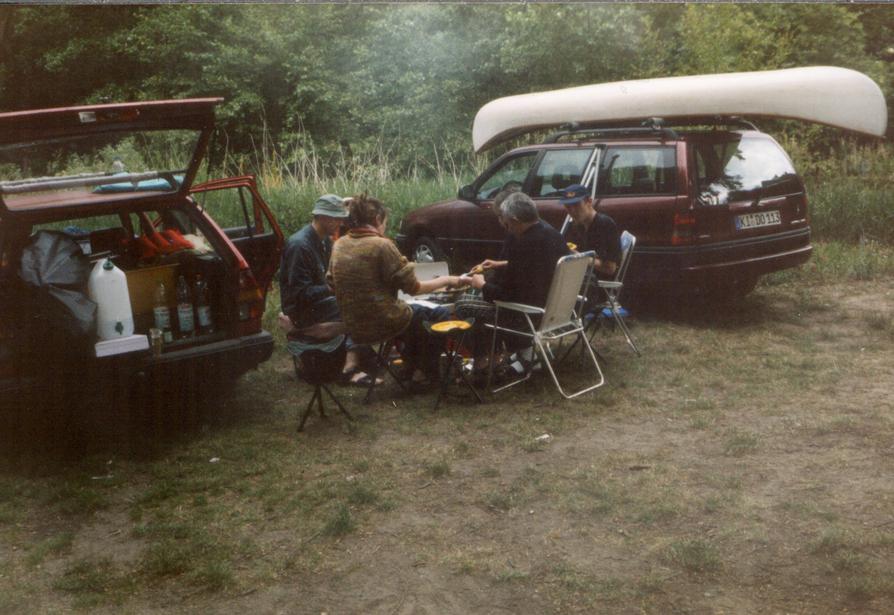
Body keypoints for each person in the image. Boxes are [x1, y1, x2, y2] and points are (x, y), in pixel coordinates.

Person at [327, 194, 465, 386]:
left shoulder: (340, 244)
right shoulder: (381, 245)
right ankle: (425, 373)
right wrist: (448, 279)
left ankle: (412, 366)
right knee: (439, 313)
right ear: (377, 220)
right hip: (383, 321)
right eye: (384, 223)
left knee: (415, 316)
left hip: (354, 323)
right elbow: (414, 288)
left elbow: (332, 283)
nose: (384, 228)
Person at [461, 192, 570, 379]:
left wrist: (482, 285)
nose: (507, 227)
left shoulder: (523, 244)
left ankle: (485, 365)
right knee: (481, 299)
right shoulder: (553, 235)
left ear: (515, 219)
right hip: (557, 309)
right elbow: (533, 269)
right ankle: (516, 356)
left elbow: (507, 294)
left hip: (528, 314)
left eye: (507, 222)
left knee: (465, 305)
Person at [279, 194, 376, 386]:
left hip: (318, 303)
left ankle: (354, 357)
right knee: (357, 308)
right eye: (337, 218)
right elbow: (299, 295)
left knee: (361, 300)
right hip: (301, 309)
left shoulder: (323, 240)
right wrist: (332, 288)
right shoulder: (300, 245)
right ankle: (351, 366)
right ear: (322, 217)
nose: (340, 223)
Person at [559, 183, 621, 280]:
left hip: (595, 284)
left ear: (589, 201)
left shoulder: (604, 224)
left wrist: (579, 257)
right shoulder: (577, 224)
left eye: (576, 205)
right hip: (581, 275)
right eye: (568, 207)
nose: (572, 211)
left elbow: (610, 268)